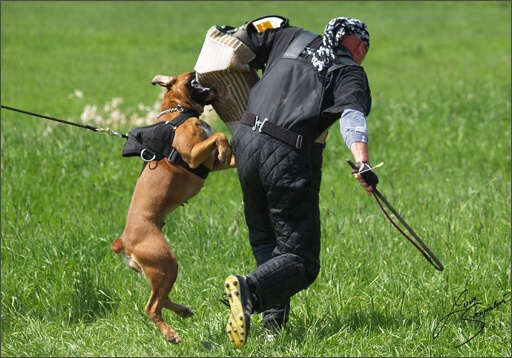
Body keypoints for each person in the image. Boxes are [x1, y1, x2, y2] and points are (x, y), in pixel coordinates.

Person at [221, 15, 379, 349]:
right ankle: (248, 289)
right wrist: (362, 161)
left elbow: (241, 40)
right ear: (360, 46)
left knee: (267, 241)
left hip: (246, 142)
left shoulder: (290, 37)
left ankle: (272, 330)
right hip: (288, 154)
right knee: (302, 261)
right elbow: (352, 117)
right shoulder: (349, 71)